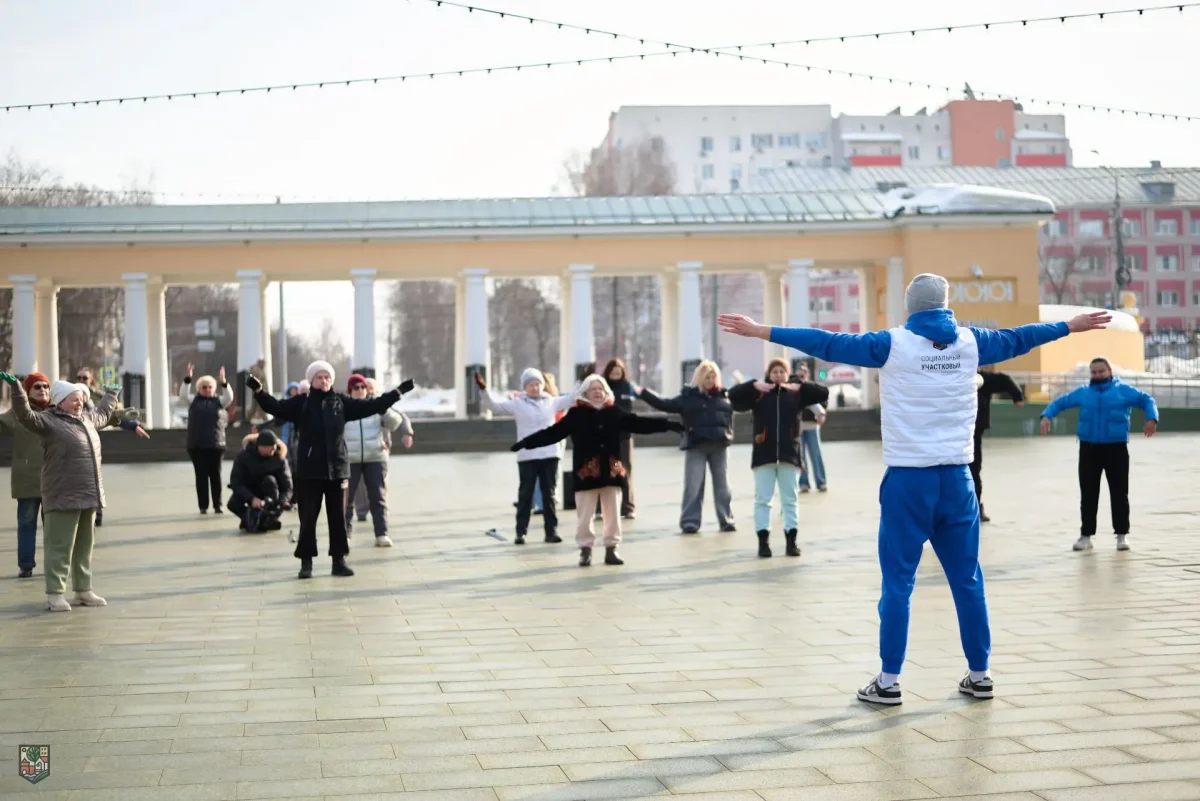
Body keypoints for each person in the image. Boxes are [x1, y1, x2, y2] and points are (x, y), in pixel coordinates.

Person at [718, 273, 1109, 705]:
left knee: (898, 584)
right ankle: (980, 674)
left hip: (908, 480)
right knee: (968, 580)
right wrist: (1068, 326)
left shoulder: (893, 344)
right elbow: (1022, 337)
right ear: (945, 304)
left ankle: (888, 681)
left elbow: (825, 342)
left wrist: (762, 331)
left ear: (910, 307)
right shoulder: (971, 342)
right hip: (959, 479)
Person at [247, 361, 413, 579]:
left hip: (337, 469)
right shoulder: (302, 403)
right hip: (309, 471)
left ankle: (339, 561)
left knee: (338, 518)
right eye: (319, 377)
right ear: (312, 380)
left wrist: (398, 392)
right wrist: (259, 391)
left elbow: (373, 405)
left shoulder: (342, 402)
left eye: (327, 377)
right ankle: (306, 563)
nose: (324, 381)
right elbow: (276, 407)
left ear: (331, 380)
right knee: (308, 519)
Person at [511, 374, 683, 566]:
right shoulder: (576, 414)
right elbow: (553, 433)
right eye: (593, 389)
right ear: (585, 392)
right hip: (586, 473)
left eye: (600, 389)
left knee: (613, 515)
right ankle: (585, 550)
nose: (597, 393)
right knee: (585, 515)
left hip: (612, 472)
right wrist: (527, 442)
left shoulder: (614, 412)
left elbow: (639, 423)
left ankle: (612, 549)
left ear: (606, 391)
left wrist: (668, 425)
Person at [1, 373, 134, 611]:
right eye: (74, 399)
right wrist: (18, 389)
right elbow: (24, 416)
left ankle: (83, 590)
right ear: (60, 400)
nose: (80, 402)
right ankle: (55, 594)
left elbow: (104, 413)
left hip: (89, 494)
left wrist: (112, 393)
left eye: (81, 398)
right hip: (62, 494)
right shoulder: (48, 421)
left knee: (84, 546)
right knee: (60, 547)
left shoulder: (86, 419)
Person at [1039, 357, 1158, 552]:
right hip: (1089, 449)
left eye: (1101, 371)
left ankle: (1122, 535)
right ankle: (1086, 536)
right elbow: (1062, 402)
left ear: (1109, 371)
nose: (1097, 375)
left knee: (1119, 493)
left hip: (1116, 448)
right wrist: (1046, 415)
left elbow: (1146, 400)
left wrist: (1151, 418)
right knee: (1088, 493)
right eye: (1093, 372)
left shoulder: (1122, 391)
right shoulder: (1084, 393)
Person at [728, 358, 829, 558]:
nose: (778, 375)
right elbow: (732, 395)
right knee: (763, 500)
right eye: (774, 372)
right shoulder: (758, 395)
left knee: (790, 500)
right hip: (763, 456)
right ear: (768, 374)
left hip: (789, 455)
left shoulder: (796, 395)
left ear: (787, 374)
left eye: (782, 371)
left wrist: (799, 386)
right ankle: (763, 543)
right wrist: (753, 385)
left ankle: (791, 542)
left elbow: (823, 393)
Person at [638, 360, 737, 535]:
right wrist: (643, 393)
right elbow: (665, 404)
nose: (710, 381)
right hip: (696, 446)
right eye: (707, 377)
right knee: (693, 485)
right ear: (699, 378)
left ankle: (726, 520)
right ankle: (690, 521)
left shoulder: (724, 396)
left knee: (723, 486)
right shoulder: (687, 398)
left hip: (720, 446)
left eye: (713, 377)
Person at [477, 368, 574, 545]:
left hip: (550, 453)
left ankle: (551, 531)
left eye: (537, 384)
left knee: (549, 494)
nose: (535, 388)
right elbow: (495, 407)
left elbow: (570, 399)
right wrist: (484, 390)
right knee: (525, 494)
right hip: (528, 455)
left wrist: (582, 383)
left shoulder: (550, 401)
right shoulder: (518, 403)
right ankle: (521, 532)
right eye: (530, 384)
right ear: (524, 387)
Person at [344, 373, 413, 547]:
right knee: (346, 499)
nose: (360, 390)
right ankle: (345, 534)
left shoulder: (375, 405)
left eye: (362, 387)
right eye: (356, 387)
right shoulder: (343, 407)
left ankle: (381, 534)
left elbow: (395, 423)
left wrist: (384, 411)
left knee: (378, 496)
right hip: (350, 459)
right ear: (349, 390)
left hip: (375, 456)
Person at [178, 363, 234, 514]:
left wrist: (223, 381)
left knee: (215, 476)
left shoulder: (220, 402)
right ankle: (203, 506)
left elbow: (229, 396)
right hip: (196, 446)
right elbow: (183, 395)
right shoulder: (193, 401)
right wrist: (188, 378)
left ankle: (218, 505)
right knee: (201, 477)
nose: (207, 390)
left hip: (216, 445)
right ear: (199, 389)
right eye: (204, 387)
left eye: (210, 387)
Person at [973, 367, 1024, 522]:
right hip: (950, 432)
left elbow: (1005, 380)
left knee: (973, 470)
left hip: (973, 432)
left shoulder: (982, 378)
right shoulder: (946, 373)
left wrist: (1017, 396)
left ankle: (975, 507)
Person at [228, 428, 292, 533]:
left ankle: (268, 518)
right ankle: (249, 517)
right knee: (233, 504)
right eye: (270, 448)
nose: (273, 450)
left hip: (271, 493)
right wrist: (252, 498)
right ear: (260, 447)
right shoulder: (243, 456)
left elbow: (287, 486)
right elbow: (236, 482)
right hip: (250, 490)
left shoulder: (280, 459)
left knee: (270, 481)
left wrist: (284, 501)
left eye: (274, 447)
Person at [602, 359, 638, 519]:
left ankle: (628, 507)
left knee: (625, 471)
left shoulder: (628, 387)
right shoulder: (602, 386)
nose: (616, 375)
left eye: (619, 372)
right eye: (613, 372)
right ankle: (601, 508)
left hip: (624, 436)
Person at [793, 363, 829, 494]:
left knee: (816, 454)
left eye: (803, 375)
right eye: (798, 375)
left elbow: (824, 401)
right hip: (798, 426)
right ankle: (803, 483)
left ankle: (821, 482)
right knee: (800, 456)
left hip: (812, 425)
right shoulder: (793, 388)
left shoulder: (813, 388)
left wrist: (822, 413)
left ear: (807, 375)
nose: (801, 377)